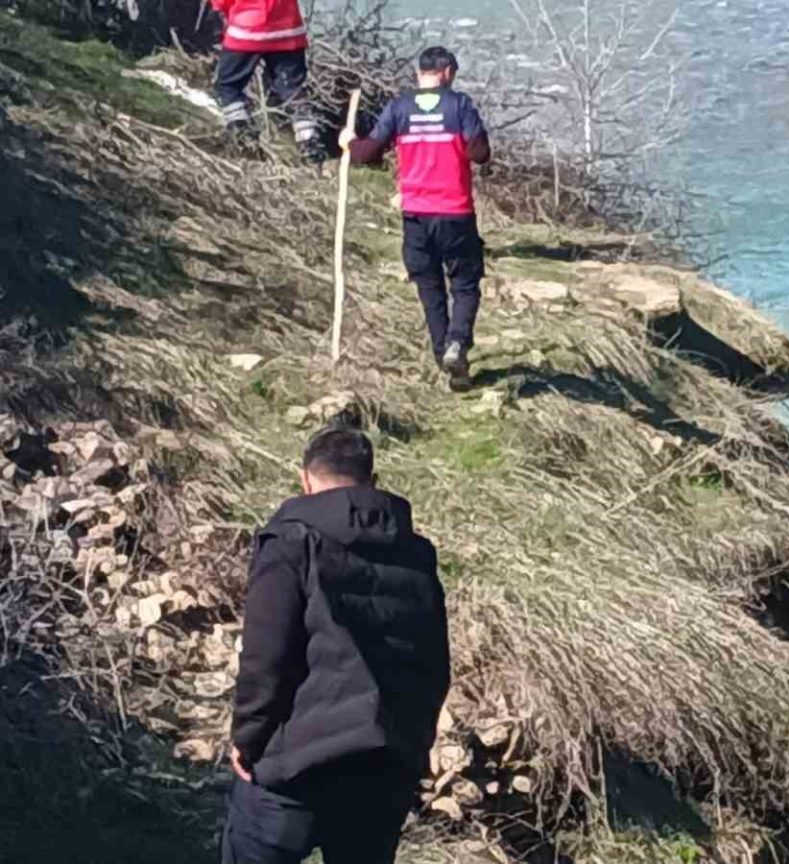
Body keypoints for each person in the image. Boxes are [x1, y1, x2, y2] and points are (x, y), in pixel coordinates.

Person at [222, 425, 451, 864]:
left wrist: (247, 739)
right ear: (373, 481)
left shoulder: (290, 543)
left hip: (295, 770)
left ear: (305, 480)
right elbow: (435, 666)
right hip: (382, 770)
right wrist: (412, 747)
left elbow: (265, 657)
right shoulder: (416, 555)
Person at [341, 47, 492, 392]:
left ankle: (445, 357)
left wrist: (349, 142)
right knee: (465, 284)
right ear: (448, 72)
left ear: (419, 73)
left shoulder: (399, 107)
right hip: (455, 212)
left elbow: (366, 153)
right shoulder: (459, 105)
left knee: (429, 287)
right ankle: (457, 342)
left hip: (415, 216)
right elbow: (480, 154)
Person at [209, 0, 324, 162]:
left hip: (247, 31)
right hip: (288, 30)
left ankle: (242, 132)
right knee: (293, 90)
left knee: (227, 85)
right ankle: (309, 141)